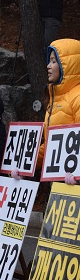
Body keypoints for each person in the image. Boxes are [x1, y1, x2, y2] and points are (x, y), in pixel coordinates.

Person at [31, 39, 80, 185]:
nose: (48, 66)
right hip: (62, 182)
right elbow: (51, 145)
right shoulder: (55, 98)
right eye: (49, 61)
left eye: (53, 61)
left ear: (68, 66)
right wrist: (25, 165)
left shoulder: (77, 97)